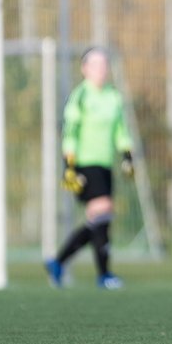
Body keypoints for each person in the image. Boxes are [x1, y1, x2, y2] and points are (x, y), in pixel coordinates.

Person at [44, 47, 133, 290]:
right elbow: (70, 132)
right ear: (84, 69)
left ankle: (58, 262)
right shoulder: (80, 96)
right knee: (102, 210)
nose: (102, 70)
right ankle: (104, 275)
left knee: (100, 218)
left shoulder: (113, 96)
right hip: (84, 164)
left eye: (105, 65)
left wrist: (127, 155)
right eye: (96, 65)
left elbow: (120, 130)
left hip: (105, 164)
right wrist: (69, 165)